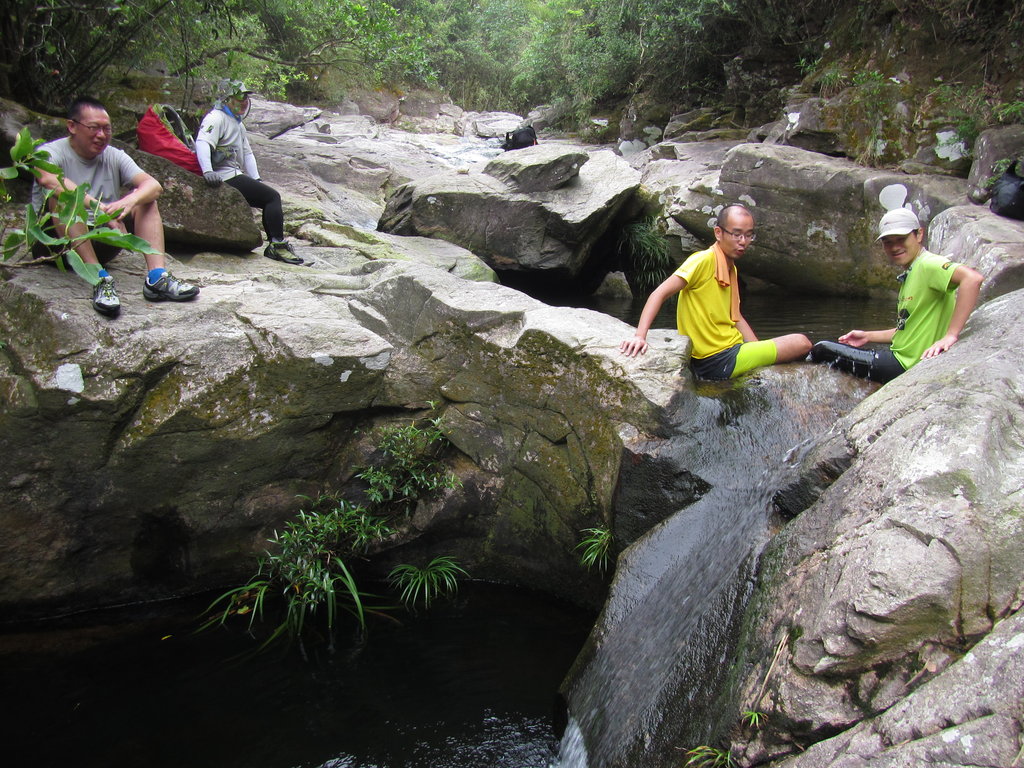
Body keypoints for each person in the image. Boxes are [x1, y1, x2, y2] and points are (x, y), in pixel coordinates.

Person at [32, 96, 200, 317]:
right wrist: (101, 209)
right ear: (72, 126)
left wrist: (127, 202)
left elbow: (153, 186)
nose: (102, 135)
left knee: (146, 199)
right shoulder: (49, 152)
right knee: (62, 198)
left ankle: (157, 278)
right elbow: (48, 180)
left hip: (103, 240)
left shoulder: (114, 156)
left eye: (107, 129)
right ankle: (98, 278)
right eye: (94, 128)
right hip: (55, 245)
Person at [620, 204, 812, 379]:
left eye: (749, 235)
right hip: (715, 360)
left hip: (733, 349)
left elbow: (735, 317)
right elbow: (659, 293)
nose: (743, 241)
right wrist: (640, 336)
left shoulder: (730, 268)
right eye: (736, 234)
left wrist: (757, 349)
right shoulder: (703, 260)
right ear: (718, 233)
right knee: (802, 342)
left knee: (798, 345)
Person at [809, 208, 983, 383]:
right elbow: (909, 330)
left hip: (905, 364)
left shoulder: (928, 264)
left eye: (901, 239)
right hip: (901, 357)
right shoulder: (913, 271)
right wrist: (868, 336)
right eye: (888, 242)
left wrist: (951, 335)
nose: (894, 247)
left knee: (822, 349)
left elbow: (972, 279)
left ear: (919, 234)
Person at [195, 79, 303, 265]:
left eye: (246, 97)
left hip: (231, 173)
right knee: (272, 197)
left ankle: (276, 244)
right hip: (223, 176)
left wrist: (256, 179)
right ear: (227, 99)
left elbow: (247, 153)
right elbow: (202, 142)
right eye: (240, 97)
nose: (244, 101)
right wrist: (208, 171)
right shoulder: (216, 118)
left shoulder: (237, 123)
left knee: (267, 196)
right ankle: (277, 245)